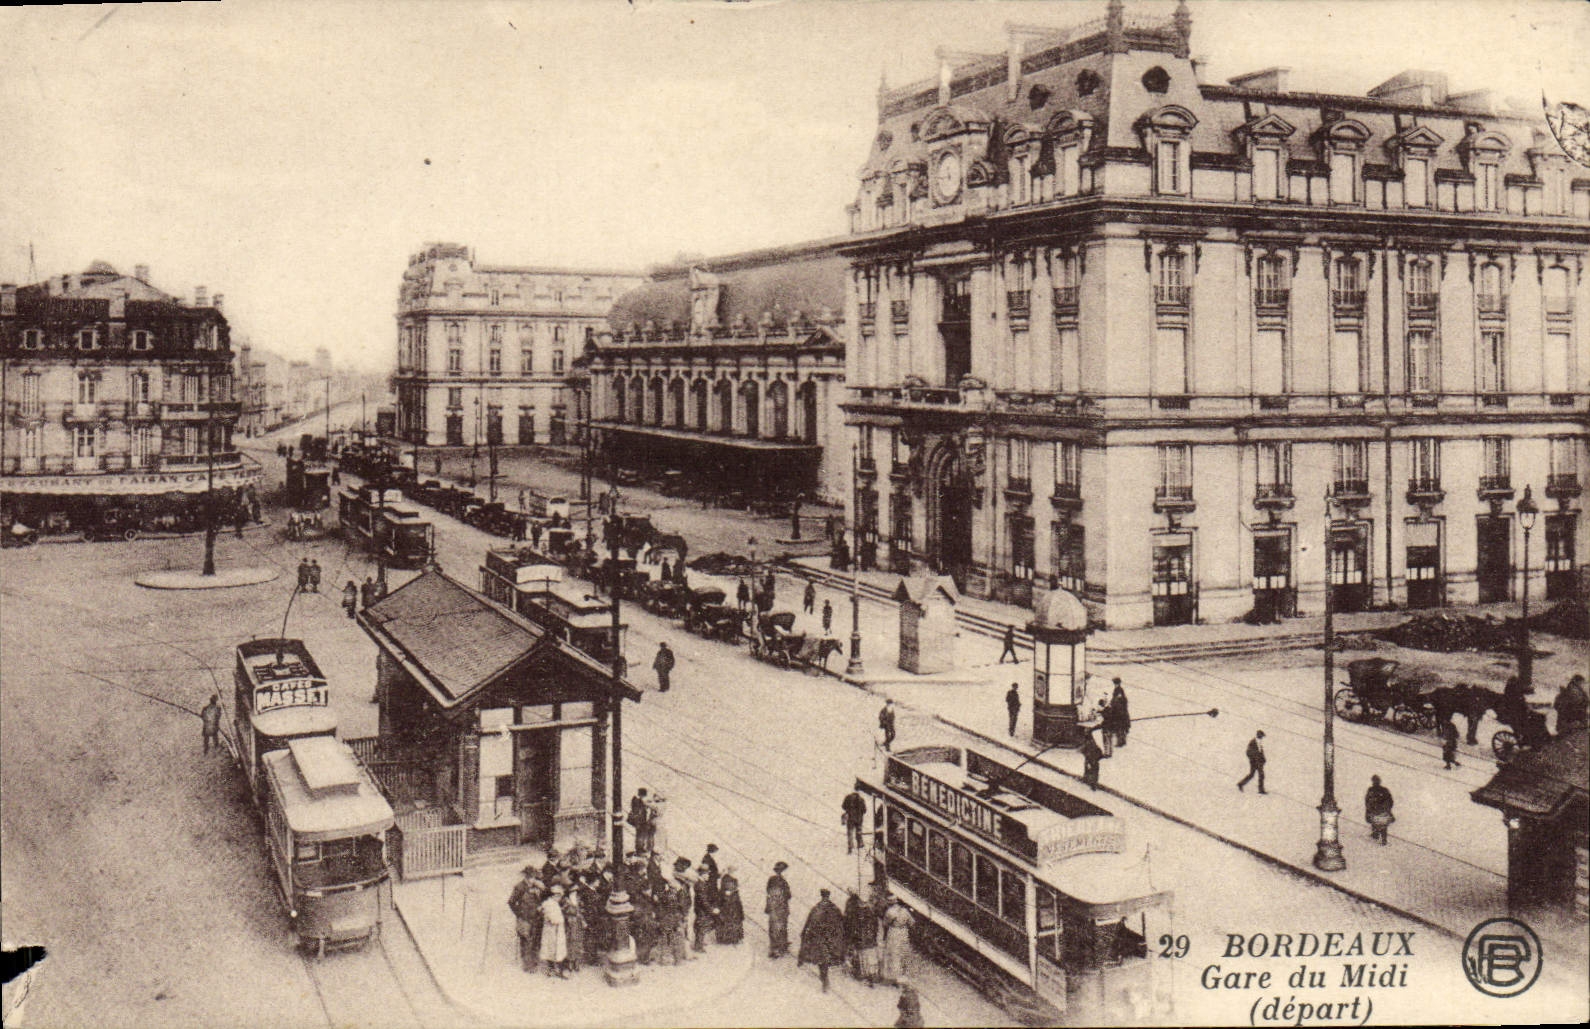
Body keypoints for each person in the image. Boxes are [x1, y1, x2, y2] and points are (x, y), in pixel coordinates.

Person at [798, 888, 847, 992]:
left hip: (820, 939)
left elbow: (809, 922)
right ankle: (824, 978)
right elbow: (842, 922)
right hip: (831, 939)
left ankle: (824, 978)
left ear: (822, 896)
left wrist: (804, 932)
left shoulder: (817, 908)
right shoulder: (834, 908)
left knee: (822, 959)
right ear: (828, 896)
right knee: (826, 958)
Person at [509, 866, 543, 972]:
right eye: (530, 877)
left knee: (536, 939)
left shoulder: (536, 886)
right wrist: (519, 913)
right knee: (526, 940)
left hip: (536, 917)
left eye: (533, 877)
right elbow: (511, 902)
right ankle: (527, 964)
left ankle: (535, 961)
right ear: (526, 876)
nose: (532, 879)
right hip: (525, 918)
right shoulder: (519, 887)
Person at [844, 888, 880, 987]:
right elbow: (875, 925)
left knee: (862, 956)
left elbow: (854, 925)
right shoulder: (871, 912)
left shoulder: (858, 912)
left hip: (862, 939)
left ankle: (863, 974)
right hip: (870, 939)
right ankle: (872, 975)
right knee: (871, 957)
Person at [879, 897, 912, 986]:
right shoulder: (905, 911)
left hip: (893, 932)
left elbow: (885, 923)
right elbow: (912, 922)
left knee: (892, 954)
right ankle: (902, 976)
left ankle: (892, 977)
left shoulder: (890, 912)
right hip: (904, 933)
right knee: (902, 954)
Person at [765, 860, 793, 958]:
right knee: (780, 926)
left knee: (774, 927)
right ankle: (778, 948)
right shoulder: (782, 881)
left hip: (774, 907)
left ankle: (776, 947)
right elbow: (788, 895)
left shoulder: (772, 880)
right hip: (780, 908)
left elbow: (768, 892)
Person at [540, 884, 569, 976]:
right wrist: (561, 919)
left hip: (555, 931)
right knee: (551, 950)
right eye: (559, 896)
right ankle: (552, 970)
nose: (560, 898)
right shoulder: (549, 904)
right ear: (555, 895)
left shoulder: (554, 904)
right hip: (551, 931)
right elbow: (554, 919)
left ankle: (554, 969)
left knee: (555, 950)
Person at [692, 861, 718, 952]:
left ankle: (699, 943)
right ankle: (698, 947)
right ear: (702, 874)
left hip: (700, 908)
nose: (708, 876)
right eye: (706, 874)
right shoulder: (700, 884)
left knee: (702, 926)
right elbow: (703, 900)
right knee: (701, 926)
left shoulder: (701, 882)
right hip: (701, 909)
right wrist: (711, 909)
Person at [715, 868, 744, 945]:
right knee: (729, 920)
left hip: (733, 903)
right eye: (734, 871)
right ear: (731, 871)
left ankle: (732, 938)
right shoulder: (727, 880)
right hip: (729, 904)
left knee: (733, 920)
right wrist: (732, 891)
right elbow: (727, 892)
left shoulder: (732, 879)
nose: (735, 873)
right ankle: (728, 939)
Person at [1365, 775, 1395, 845]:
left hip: (1375, 809)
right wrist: (1388, 809)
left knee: (1376, 822)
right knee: (1382, 824)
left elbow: (1368, 801)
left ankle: (1377, 835)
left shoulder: (1371, 790)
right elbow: (1390, 800)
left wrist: (1368, 809)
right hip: (1383, 810)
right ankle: (1381, 838)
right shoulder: (1384, 790)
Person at [562, 888, 585, 974]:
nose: (574, 894)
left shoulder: (579, 900)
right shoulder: (566, 902)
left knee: (578, 943)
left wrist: (581, 916)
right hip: (570, 925)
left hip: (578, 924)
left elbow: (582, 911)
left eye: (575, 892)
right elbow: (564, 912)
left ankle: (577, 962)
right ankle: (570, 963)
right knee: (570, 943)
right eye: (573, 892)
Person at [1107, 678, 1131, 749]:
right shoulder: (1119, 690)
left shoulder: (1118, 690)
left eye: (1115, 683)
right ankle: (1122, 741)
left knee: (1119, 727)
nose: (1115, 685)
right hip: (1122, 712)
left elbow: (1117, 701)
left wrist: (1112, 705)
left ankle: (1120, 742)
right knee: (1121, 727)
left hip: (1119, 712)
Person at [628, 787, 653, 855]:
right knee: (640, 835)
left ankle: (640, 847)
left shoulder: (636, 800)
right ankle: (639, 848)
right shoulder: (638, 801)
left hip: (640, 821)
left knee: (640, 834)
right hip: (640, 821)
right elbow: (638, 811)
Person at [842, 790, 867, 854]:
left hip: (850, 818)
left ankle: (850, 847)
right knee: (858, 831)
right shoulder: (861, 799)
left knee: (850, 832)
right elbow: (864, 810)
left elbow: (843, 806)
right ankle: (859, 844)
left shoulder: (848, 797)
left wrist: (849, 809)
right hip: (859, 819)